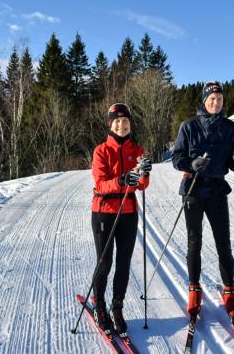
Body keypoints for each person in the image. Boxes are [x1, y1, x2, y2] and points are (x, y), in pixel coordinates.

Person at [172, 81, 234, 318]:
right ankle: (194, 287)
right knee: (194, 242)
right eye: (212, 99)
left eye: (220, 99)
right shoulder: (188, 126)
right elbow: (177, 158)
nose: (216, 103)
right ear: (204, 100)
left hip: (217, 191)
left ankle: (230, 290)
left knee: (223, 243)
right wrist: (191, 164)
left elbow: (231, 164)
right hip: (193, 190)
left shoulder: (230, 127)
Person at [90, 103, 151, 334]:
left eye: (125, 121)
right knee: (105, 262)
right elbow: (100, 184)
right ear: (110, 124)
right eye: (117, 121)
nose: (122, 125)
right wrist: (122, 180)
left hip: (128, 212)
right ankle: (100, 306)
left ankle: (117, 307)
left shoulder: (137, 150)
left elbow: (143, 185)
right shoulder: (101, 151)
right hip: (104, 211)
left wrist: (144, 172)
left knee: (124, 263)